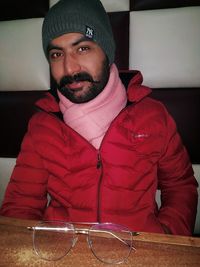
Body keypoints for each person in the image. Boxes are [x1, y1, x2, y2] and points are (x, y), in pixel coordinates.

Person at [0, 0, 198, 236]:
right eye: (56, 54)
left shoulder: (153, 116)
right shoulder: (43, 126)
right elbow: (21, 205)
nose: (70, 68)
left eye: (82, 48)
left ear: (107, 50)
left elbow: (180, 186)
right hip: (66, 255)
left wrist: (165, 238)